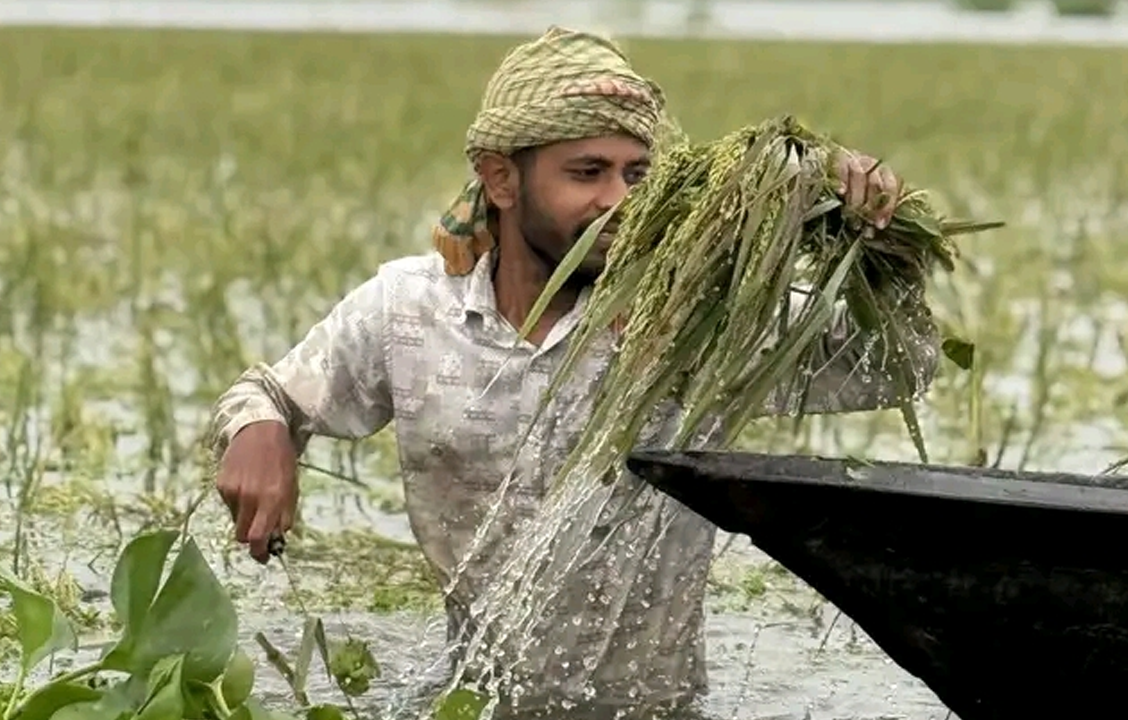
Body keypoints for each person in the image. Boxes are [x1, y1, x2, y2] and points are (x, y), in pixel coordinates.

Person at [210, 26, 941, 720]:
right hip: (475, 704)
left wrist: (881, 244)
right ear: (501, 178)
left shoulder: (697, 322)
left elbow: (901, 366)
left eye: (638, 174)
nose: (619, 200)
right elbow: (268, 391)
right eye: (586, 173)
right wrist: (262, 427)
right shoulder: (409, 312)